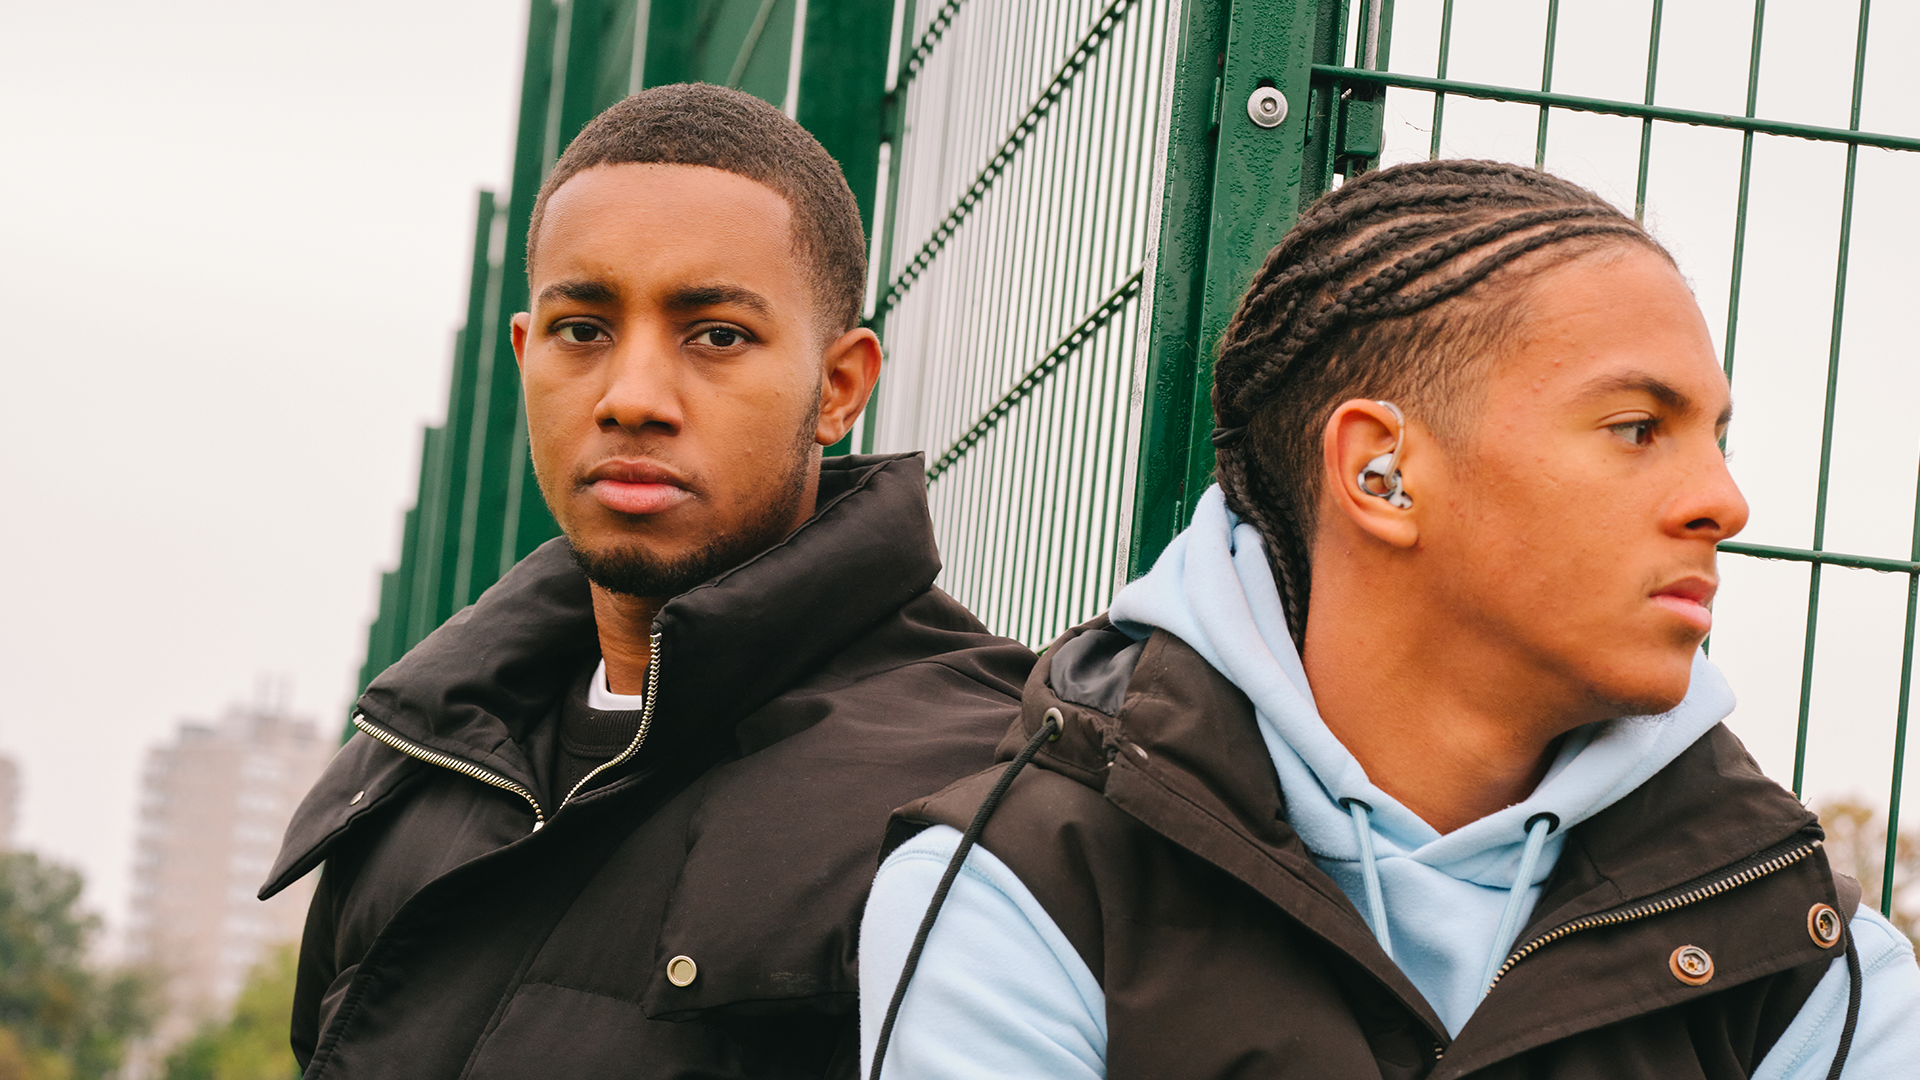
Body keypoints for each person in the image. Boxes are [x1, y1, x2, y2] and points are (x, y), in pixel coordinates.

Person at [860, 160, 1920, 1079]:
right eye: (1639, 428)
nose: (1724, 503)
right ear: (1382, 472)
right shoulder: (1025, 884)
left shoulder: (1808, 957)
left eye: (1716, 439)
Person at [260, 83, 1033, 1079]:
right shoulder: (413, 764)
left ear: (838, 386)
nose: (631, 398)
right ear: (526, 354)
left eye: (715, 334)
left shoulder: (976, 787)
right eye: (583, 328)